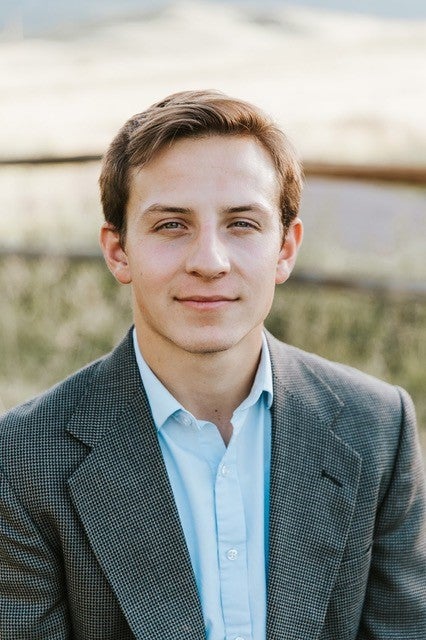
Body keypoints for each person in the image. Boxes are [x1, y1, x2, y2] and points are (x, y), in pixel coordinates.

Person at [0, 90, 425, 640]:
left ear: (286, 249)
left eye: (242, 224)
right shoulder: (23, 456)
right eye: (172, 225)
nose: (209, 262)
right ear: (118, 250)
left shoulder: (377, 428)